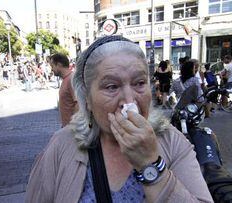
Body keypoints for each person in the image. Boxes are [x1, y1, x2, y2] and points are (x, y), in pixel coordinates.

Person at [26, 36, 212, 202]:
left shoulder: (173, 141)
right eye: (111, 86)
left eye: (139, 83)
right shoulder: (62, 144)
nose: (129, 102)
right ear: (87, 99)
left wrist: (151, 166)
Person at [47, 53, 78, 127]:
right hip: (68, 127)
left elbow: (78, 104)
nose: (51, 69)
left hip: (72, 129)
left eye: (52, 66)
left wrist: (73, 125)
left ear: (59, 65)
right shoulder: (66, 79)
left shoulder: (71, 79)